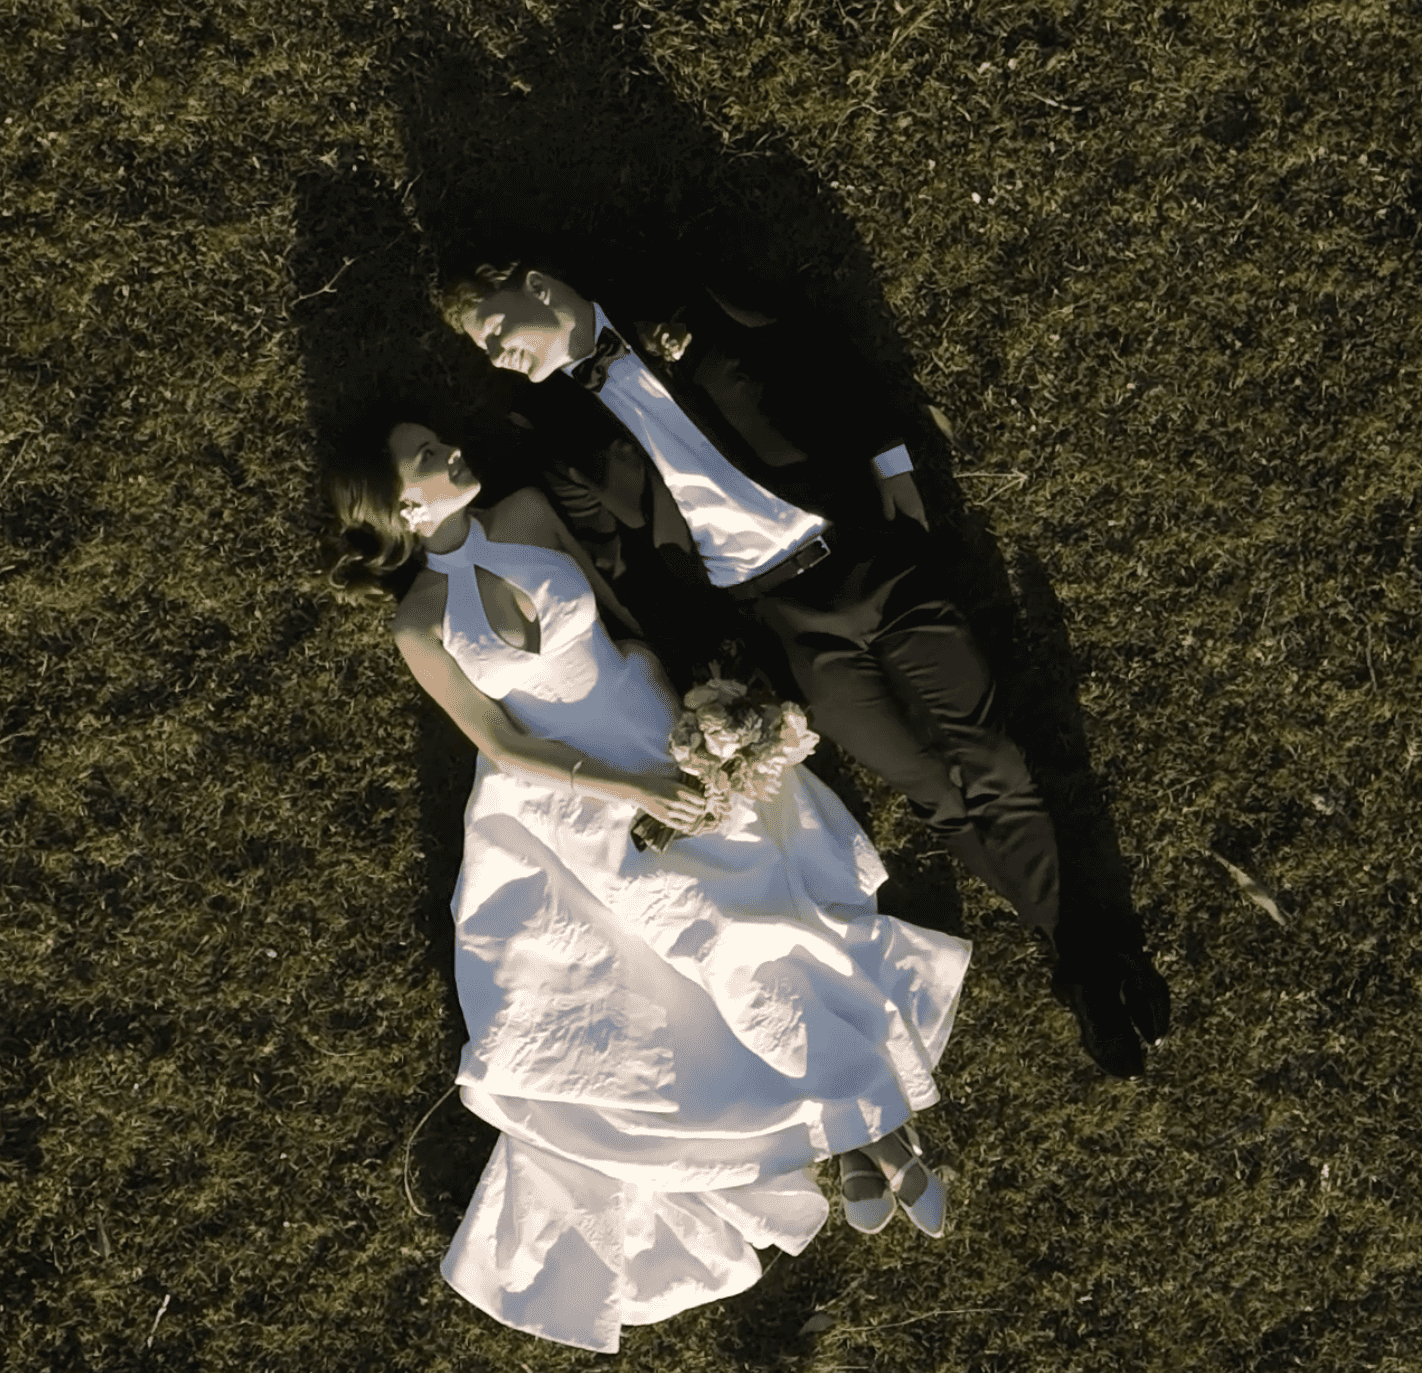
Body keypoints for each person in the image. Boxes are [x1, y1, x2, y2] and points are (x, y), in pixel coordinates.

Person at [330, 413, 972, 1354]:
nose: (451, 451)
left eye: (442, 440)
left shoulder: (525, 510)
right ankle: (868, 1129)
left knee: (776, 911)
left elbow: (621, 614)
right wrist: (628, 787)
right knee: (713, 939)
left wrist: (709, 715)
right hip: (570, 789)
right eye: (426, 455)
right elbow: (502, 740)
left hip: (652, 718)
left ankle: (866, 1134)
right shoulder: (418, 619)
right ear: (399, 505)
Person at [442, 259, 1173, 1074]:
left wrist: (895, 475)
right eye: (485, 351)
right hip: (781, 619)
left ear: (538, 287)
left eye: (497, 332)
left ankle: (1089, 971)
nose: (497, 355)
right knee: (930, 789)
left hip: (869, 555)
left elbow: (826, 356)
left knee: (990, 755)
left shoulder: (681, 294)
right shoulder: (550, 425)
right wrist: (685, 665)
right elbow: (614, 558)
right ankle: (1095, 959)